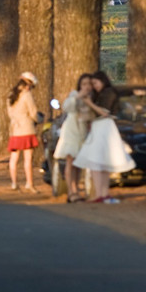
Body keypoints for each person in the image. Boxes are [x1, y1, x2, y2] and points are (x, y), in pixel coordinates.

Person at [74, 70, 134, 203]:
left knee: (101, 161)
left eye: (95, 83)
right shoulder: (99, 95)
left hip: (104, 127)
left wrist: (89, 102)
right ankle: (101, 193)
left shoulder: (109, 93)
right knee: (98, 161)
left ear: (102, 81)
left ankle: (103, 193)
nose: (94, 86)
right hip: (98, 127)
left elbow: (104, 112)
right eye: (92, 84)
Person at [52, 74, 95, 203]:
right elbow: (66, 107)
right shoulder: (74, 95)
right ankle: (71, 191)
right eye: (84, 84)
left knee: (78, 163)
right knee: (71, 160)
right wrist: (78, 96)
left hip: (83, 132)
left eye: (89, 84)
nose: (87, 87)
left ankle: (76, 189)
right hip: (71, 131)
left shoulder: (91, 98)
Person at [7, 71, 40, 192]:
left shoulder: (11, 95)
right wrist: (37, 119)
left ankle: (14, 183)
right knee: (27, 159)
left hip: (15, 129)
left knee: (14, 158)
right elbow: (33, 112)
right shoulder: (27, 95)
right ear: (29, 84)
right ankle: (29, 183)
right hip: (27, 129)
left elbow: (10, 113)